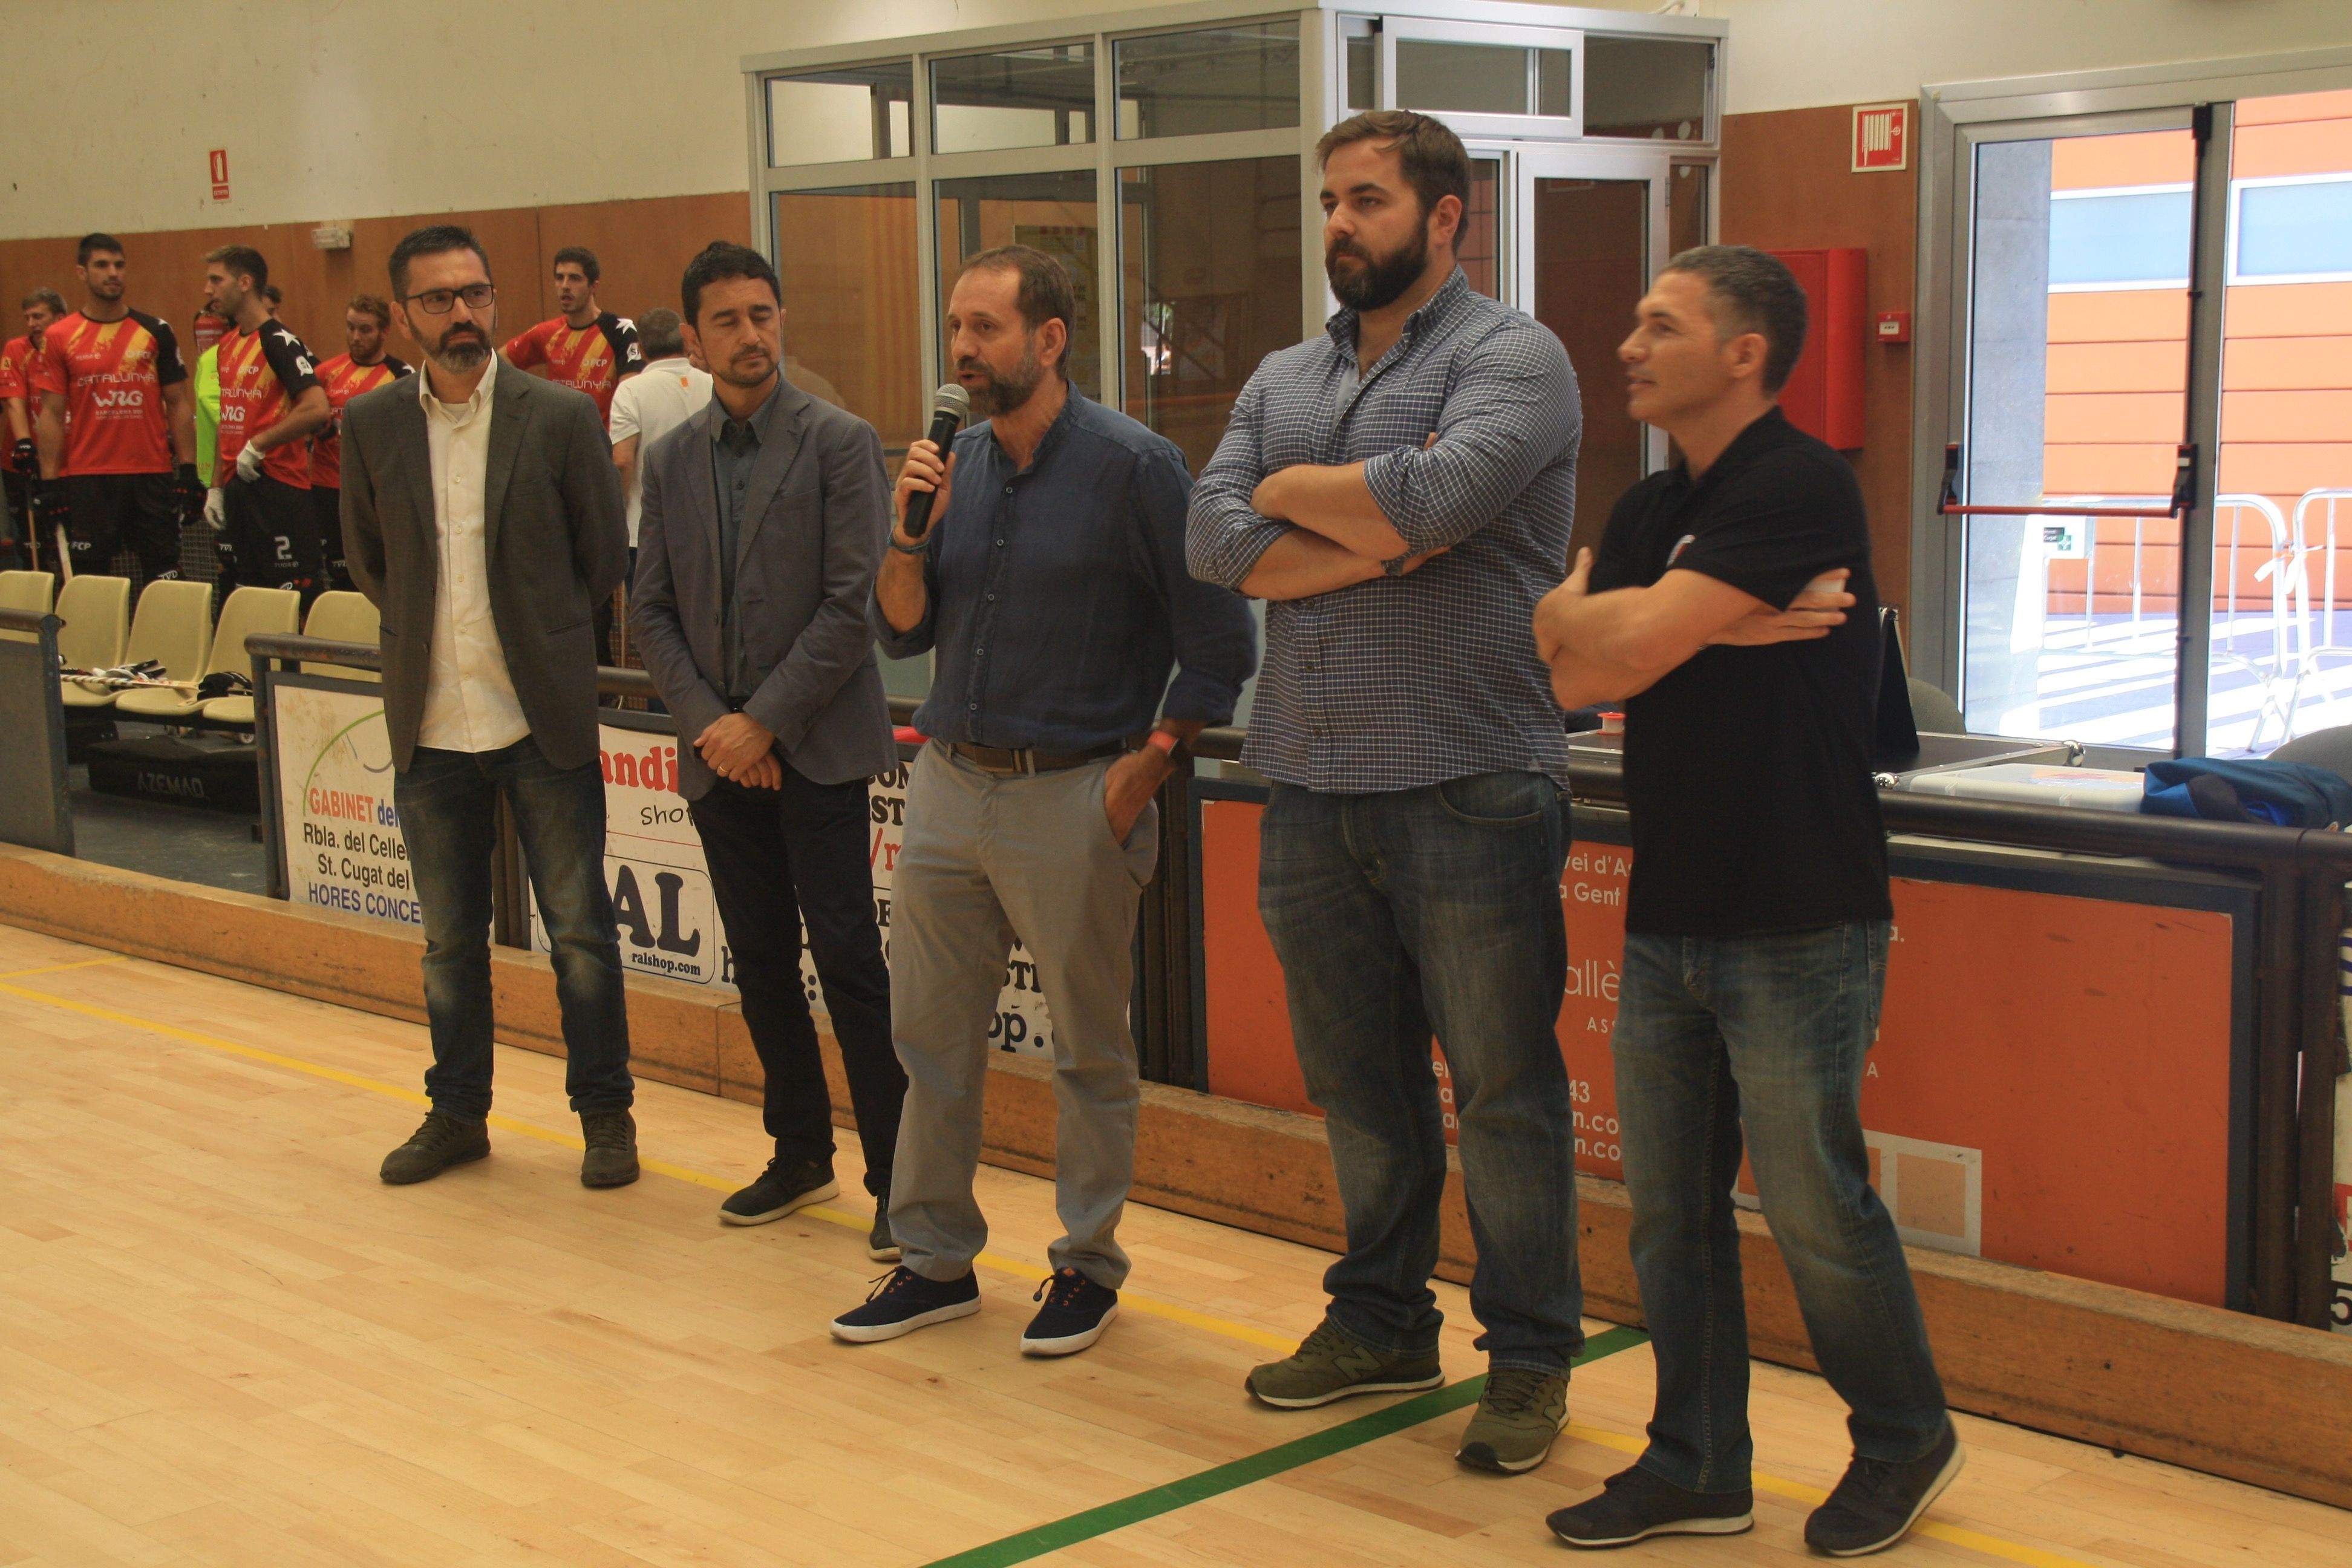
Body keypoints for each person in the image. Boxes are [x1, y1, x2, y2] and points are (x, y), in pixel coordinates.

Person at [1532, 246, 1958, 1556]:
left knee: (1818, 1204)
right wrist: (1625, 619)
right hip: (1671, 912)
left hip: (1801, 913)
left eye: (1662, 324)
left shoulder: (1800, 483)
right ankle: (1698, 1463)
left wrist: (1631, 626)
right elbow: (1561, 675)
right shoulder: (1658, 512)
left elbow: (1622, 648)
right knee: (1668, 1210)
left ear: (1745, 354)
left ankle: (1903, 1439)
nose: (1629, 344)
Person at [1186, 109, 1586, 1476]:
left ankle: (1530, 1360)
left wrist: (1305, 499)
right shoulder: (1285, 370)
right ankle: (1379, 1321)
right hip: (1304, 779)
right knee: (1359, 1086)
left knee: (1505, 1092)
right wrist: (1378, 532)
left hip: (1472, 780)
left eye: (1365, 200)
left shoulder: (1513, 357)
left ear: (1445, 215)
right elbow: (1213, 535)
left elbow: (1451, 487)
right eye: (1330, 202)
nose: (1339, 226)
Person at [832, 244, 1256, 1356]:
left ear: (1048, 338)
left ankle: (1084, 1266)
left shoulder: (1135, 467)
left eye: (984, 329)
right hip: (945, 784)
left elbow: (1215, 643)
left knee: (1085, 1050)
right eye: (956, 330)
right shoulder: (949, 463)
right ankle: (931, 1258)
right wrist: (903, 527)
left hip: (1073, 795)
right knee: (928, 1038)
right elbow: (901, 627)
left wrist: (1142, 769)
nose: (962, 351)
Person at [341, 223, 638, 1191]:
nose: (463, 315)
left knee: (581, 933)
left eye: (475, 294)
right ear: (405, 317)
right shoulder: (372, 424)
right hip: (428, 726)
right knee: (447, 945)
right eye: (439, 300)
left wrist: (544, 635)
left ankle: (605, 1117)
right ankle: (457, 1115)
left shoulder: (558, 415)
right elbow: (368, 559)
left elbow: (601, 561)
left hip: (538, 719)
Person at [629, 243, 905, 1259]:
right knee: (757, 965)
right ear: (693, 341)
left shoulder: (839, 442)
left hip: (816, 751)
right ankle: (798, 1151)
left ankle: (896, 1178)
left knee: (847, 964)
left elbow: (852, 606)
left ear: (780, 321)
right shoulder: (669, 459)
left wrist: (765, 723)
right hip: (719, 757)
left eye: (763, 314)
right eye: (728, 321)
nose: (750, 335)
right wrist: (716, 724)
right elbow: (649, 607)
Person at [31, 234, 201, 587]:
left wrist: (188, 470)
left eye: (119, 265)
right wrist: (49, 483)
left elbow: (179, 404)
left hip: (150, 475)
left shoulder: (156, 331)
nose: (114, 273)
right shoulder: (60, 337)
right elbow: (50, 414)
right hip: (89, 480)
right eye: (102, 265)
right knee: (92, 586)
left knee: (167, 580)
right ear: (82, 272)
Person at [203, 246, 330, 598]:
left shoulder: (277, 341)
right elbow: (228, 420)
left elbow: (316, 408)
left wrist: (258, 445)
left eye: (216, 280)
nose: (208, 289)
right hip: (237, 488)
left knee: (292, 599)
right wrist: (215, 488)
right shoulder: (227, 344)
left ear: (245, 283)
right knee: (246, 595)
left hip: (277, 489)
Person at [312, 294, 412, 592]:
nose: (355, 337)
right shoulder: (325, 374)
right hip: (328, 486)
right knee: (338, 571)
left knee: (378, 569)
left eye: (365, 330)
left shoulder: (401, 376)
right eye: (351, 327)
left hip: (376, 490)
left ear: (384, 332)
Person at [607, 306, 710, 567]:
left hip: (645, 532)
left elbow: (622, 461)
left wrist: (617, 514)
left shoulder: (630, 391)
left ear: (641, 350)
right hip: (706, 529)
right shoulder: (713, 384)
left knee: (649, 608)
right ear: (686, 341)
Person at [503, 246, 644, 428]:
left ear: (594, 286)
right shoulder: (546, 333)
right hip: (560, 442)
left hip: (606, 443)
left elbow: (631, 393)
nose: (565, 286)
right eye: (560, 278)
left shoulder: (620, 330)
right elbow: (501, 361)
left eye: (575, 278)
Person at [0, 289, 66, 571]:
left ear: (60, 318)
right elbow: (14, 400)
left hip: (66, 463)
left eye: (38, 316)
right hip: (21, 463)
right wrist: (24, 443)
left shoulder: (70, 347)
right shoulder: (17, 349)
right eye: (27, 318)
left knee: (67, 540)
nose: (31, 323)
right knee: (31, 545)